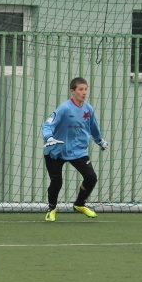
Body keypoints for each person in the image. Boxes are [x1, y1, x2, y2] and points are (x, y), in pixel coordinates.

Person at [40, 77, 109, 222]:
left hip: (77, 151)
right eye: (81, 89)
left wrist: (99, 141)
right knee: (56, 181)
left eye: (85, 89)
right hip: (56, 150)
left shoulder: (88, 109)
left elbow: (93, 127)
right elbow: (48, 125)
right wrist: (49, 138)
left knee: (91, 178)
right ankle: (51, 208)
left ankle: (79, 204)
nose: (84, 92)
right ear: (73, 91)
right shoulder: (65, 108)